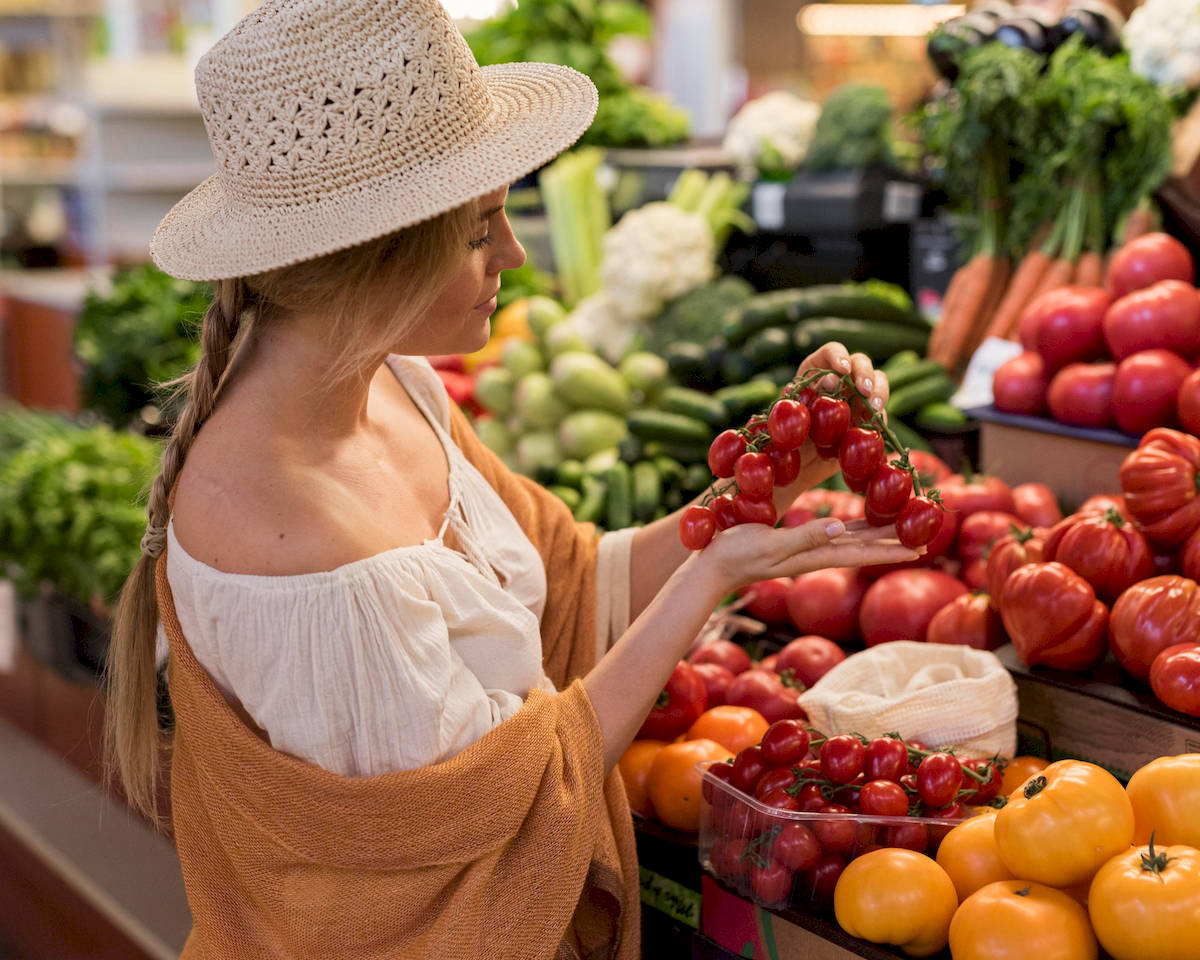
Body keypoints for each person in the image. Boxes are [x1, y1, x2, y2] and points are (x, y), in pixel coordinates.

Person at [102, 1, 918, 957]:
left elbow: (573, 579)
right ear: (378, 258)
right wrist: (711, 577)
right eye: (480, 229)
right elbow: (493, 812)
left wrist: (782, 464)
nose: (515, 257)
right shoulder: (292, 535)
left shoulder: (399, 388)